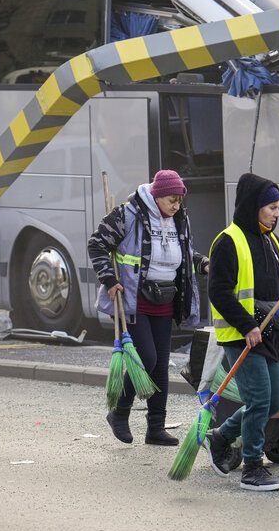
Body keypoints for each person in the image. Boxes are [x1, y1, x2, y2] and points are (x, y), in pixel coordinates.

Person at [205, 173, 279, 492]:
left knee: (273, 401)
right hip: (243, 336)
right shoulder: (228, 241)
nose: (276, 213)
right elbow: (219, 291)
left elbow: (277, 277)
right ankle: (252, 466)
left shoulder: (272, 240)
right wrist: (247, 325)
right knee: (258, 401)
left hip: (272, 333)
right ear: (254, 207)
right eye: (271, 207)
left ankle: (221, 436)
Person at [88, 170, 209, 446]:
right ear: (156, 196)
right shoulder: (128, 215)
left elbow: (184, 252)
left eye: (179, 200)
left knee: (159, 367)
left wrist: (202, 263)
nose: (176, 205)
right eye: (171, 199)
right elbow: (97, 244)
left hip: (165, 300)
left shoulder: (178, 219)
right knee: (147, 358)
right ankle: (119, 412)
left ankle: (156, 428)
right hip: (134, 300)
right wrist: (109, 279)